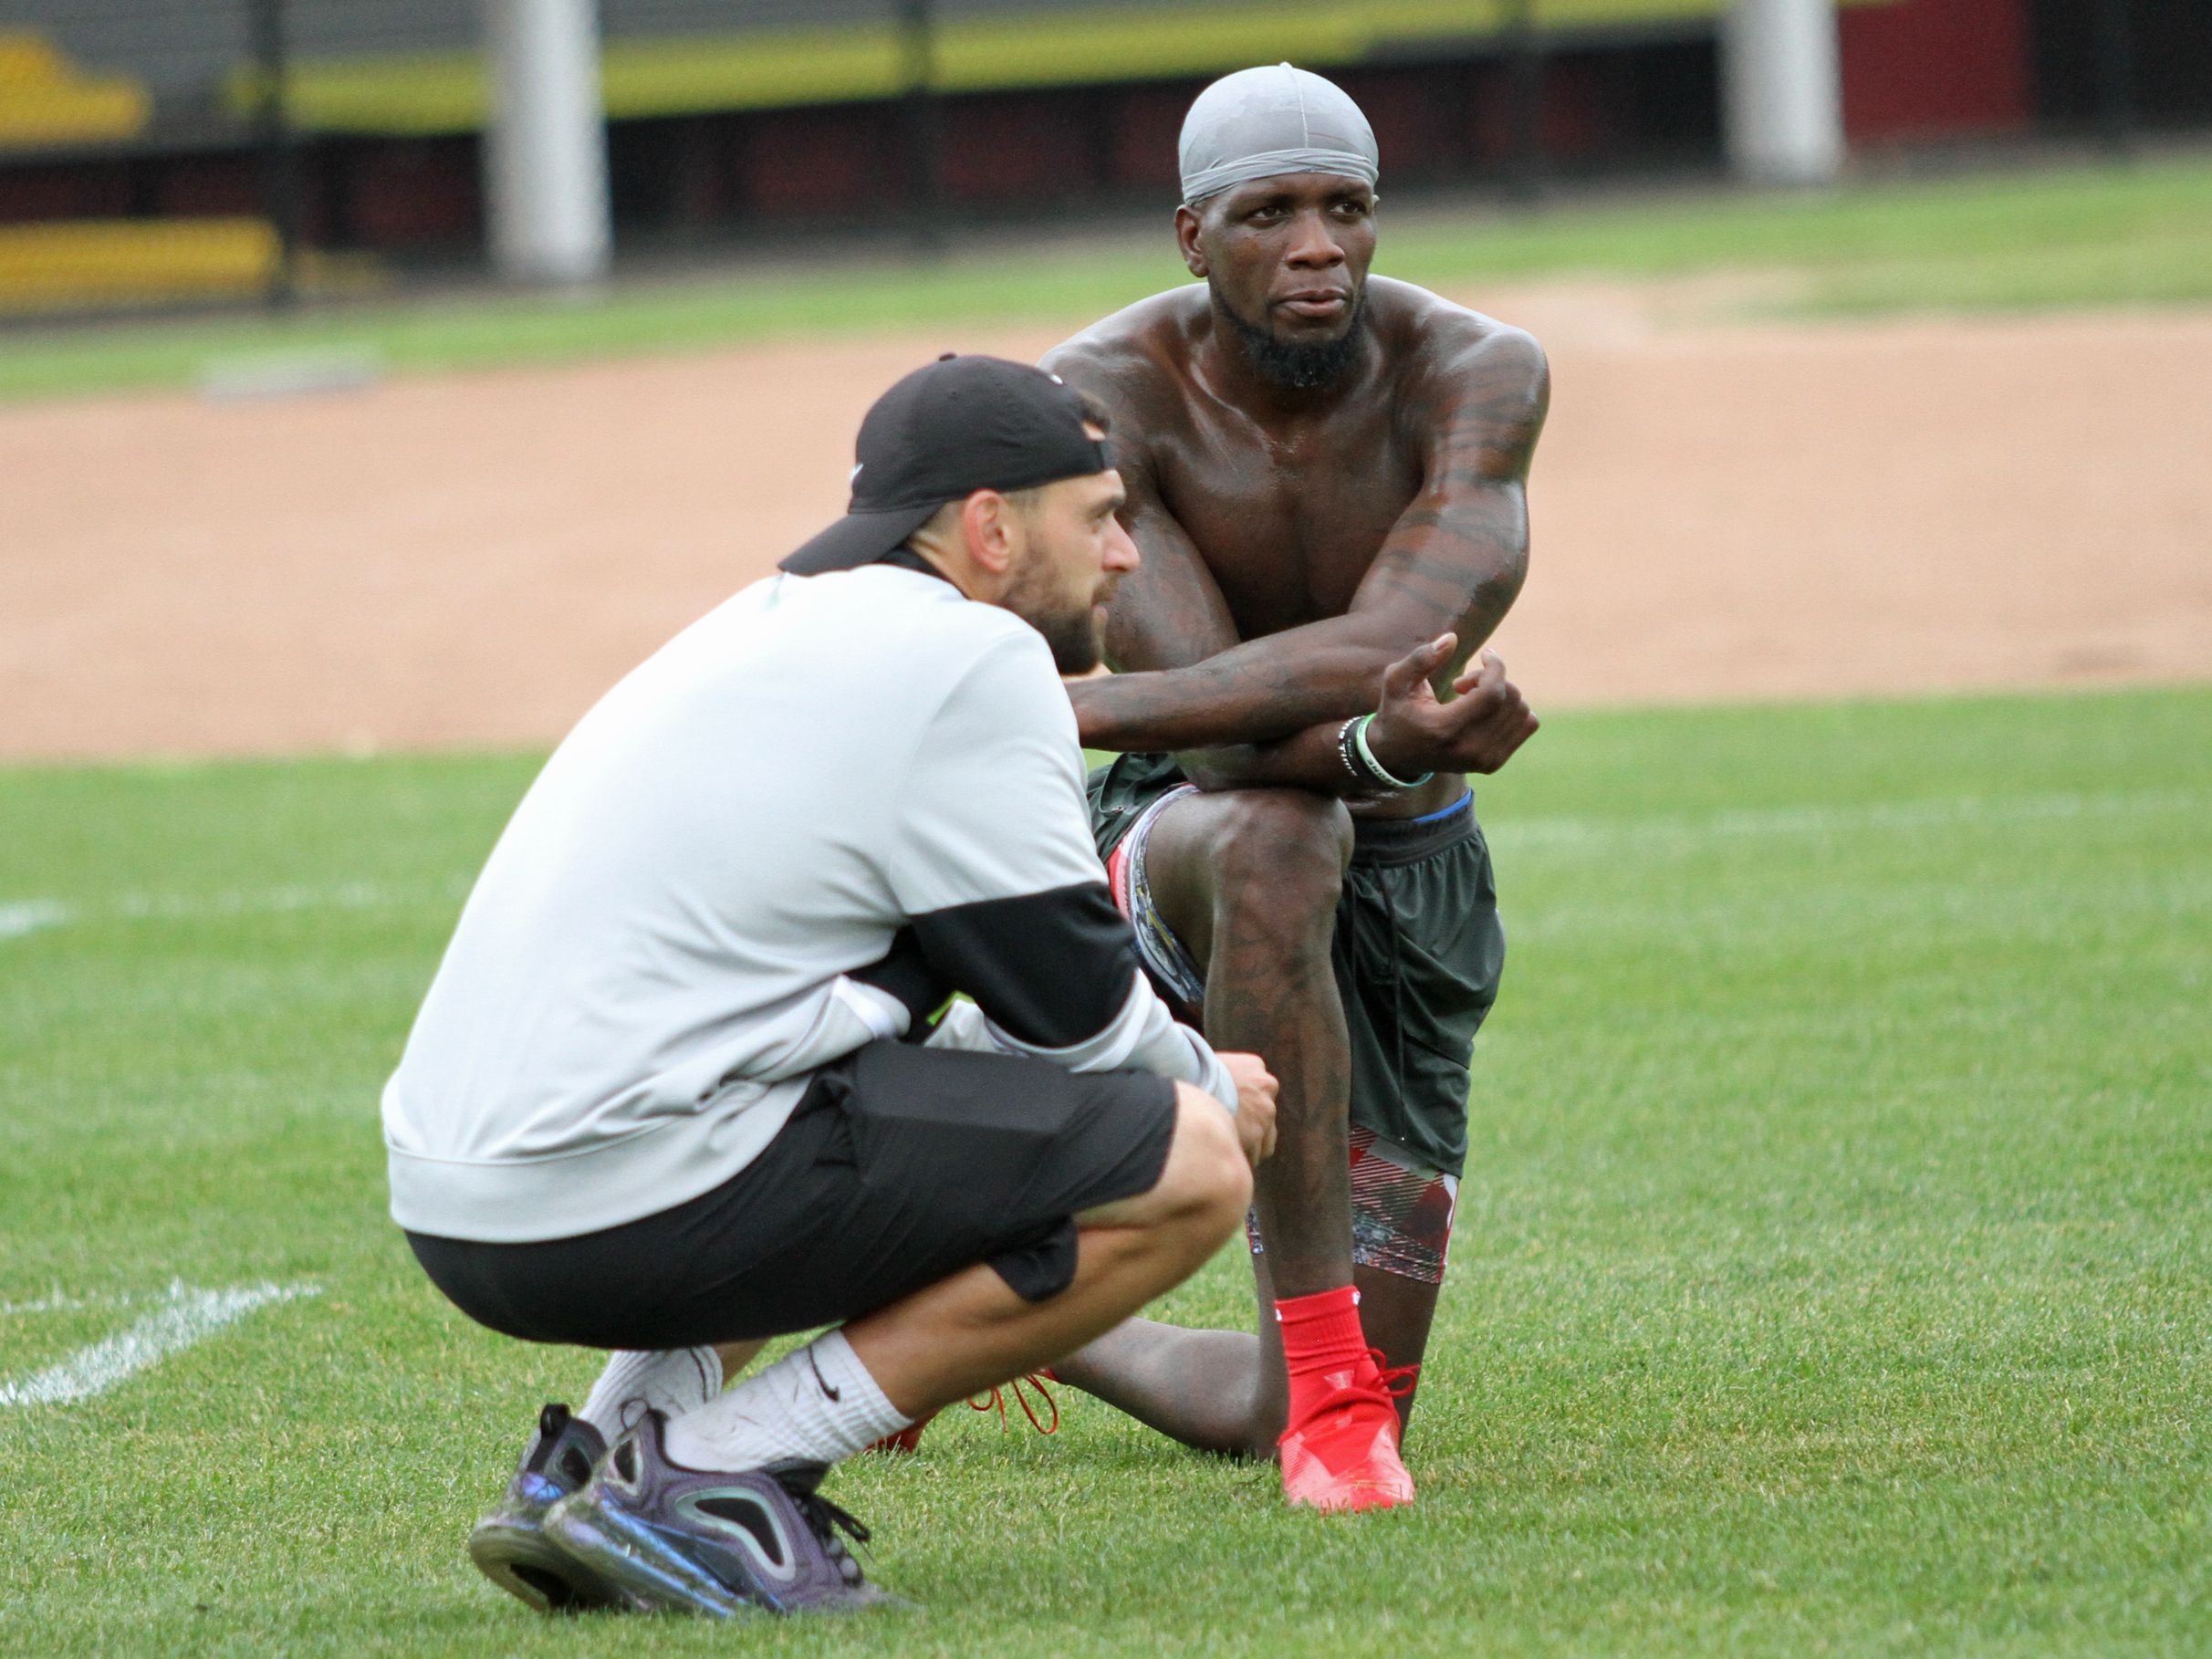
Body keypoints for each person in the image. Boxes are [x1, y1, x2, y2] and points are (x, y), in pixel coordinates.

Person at [381, 354, 1279, 1617]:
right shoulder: (974, 657)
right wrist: (1205, 1083)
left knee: (851, 1105)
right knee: (1188, 1162)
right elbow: (1076, 1013)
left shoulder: (754, 628)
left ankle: (585, 1466)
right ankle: (712, 1474)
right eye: (1101, 513)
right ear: (989, 527)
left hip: (459, 1199)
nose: (1125, 554)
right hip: (613, 1180)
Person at [1035, 63, 1549, 1512]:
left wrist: (1061, 705)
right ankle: (1331, 1394)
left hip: (1412, 867)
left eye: (1347, 207)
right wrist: (1386, 749)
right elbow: (1215, 747)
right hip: (1180, 841)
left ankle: (1036, 1318)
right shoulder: (1099, 393)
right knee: (1272, 834)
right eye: (1270, 213)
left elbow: (1399, 643)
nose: (1318, 244)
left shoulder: (1478, 371)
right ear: (1194, 239)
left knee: (1281, 1400)